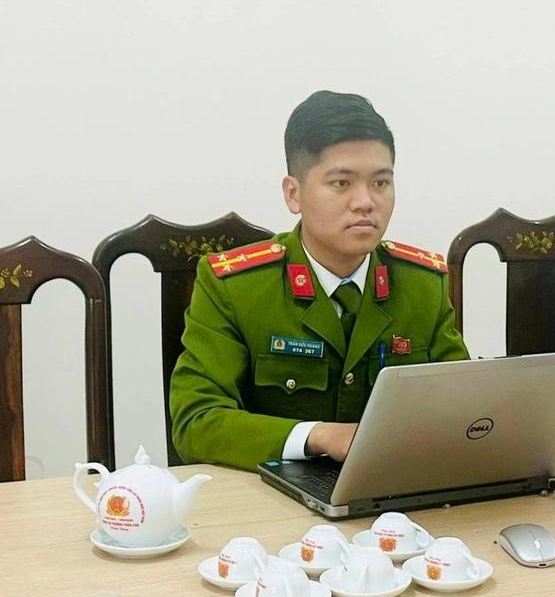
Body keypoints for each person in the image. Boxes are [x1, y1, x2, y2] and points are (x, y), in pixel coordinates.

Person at [169, 90, 468, 470]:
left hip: (391, 489)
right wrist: (318, 436)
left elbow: (461, 407)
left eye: (380, 183)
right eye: (342, 183)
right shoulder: (235, 287)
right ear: (293, 194)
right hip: (271, 494)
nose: (365, 202)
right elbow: (196, 422)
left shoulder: (422, 284)